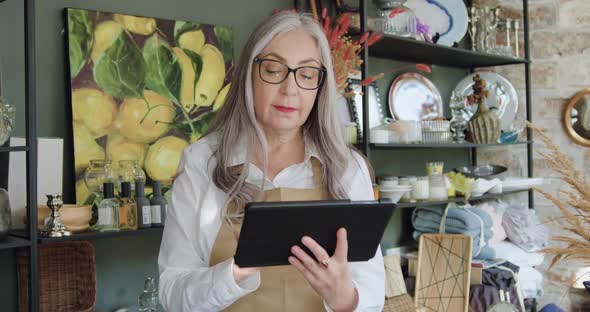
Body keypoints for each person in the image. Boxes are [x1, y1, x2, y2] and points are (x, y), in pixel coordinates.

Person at [158, 11, 385, 312]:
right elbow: (171, 294)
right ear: (249, 75)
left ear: (319, 87)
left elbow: (372, 296)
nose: (290, 89)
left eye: (306, 74)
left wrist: (344, 298)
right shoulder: (202, 162)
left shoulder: (348, 168)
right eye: (274, 69)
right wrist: (233, 275)